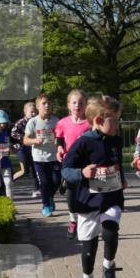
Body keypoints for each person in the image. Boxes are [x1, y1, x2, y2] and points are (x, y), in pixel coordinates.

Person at [60, 95, 126, 278]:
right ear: (98, 121)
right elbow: (65, 169)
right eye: (114, 120)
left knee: (110, 230)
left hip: (111, 197)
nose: (117, 125)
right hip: (88, 201)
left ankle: (108, 266)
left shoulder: (115, 139)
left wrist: (121, 177)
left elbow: (117, 162)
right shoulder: (83, 143)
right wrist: (82, 173)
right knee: (89, 244)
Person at [55, 89, 90, 239]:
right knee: (70, 195)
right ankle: (72, 220)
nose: (77, 105)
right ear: (68, 105)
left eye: (81, 103)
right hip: (69, 162)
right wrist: (59, 148)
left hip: (85, 163)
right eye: (74, 102)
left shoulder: (90, 123)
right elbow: (59, 139)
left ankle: (84, 222)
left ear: (86, 105)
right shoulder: (62, 122)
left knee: (84, 193)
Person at [24, 92, 61, 216]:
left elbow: (61, 137)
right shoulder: (33, 122)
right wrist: (35, 140)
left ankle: (49, 197)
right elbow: (25, 140)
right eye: (43, 104)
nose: (47, 106)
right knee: (44, 183)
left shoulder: (56, 121)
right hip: (39, 158)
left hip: (54, 157)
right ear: (38, 106)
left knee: (56, 181)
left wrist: (58, 141)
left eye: (49, 103)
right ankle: (46, 205)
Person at [11, 101, 40, 194]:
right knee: (24, 171)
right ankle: (8, 183)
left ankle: (36, 190)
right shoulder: (21, 122)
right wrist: (23, 138)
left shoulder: (37, 121)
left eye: (35, 112)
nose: (34, 114)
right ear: (25, 112)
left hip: (33, 149)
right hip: (22, 149)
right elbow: (13, 133)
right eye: (31, 112)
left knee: (35, 169)